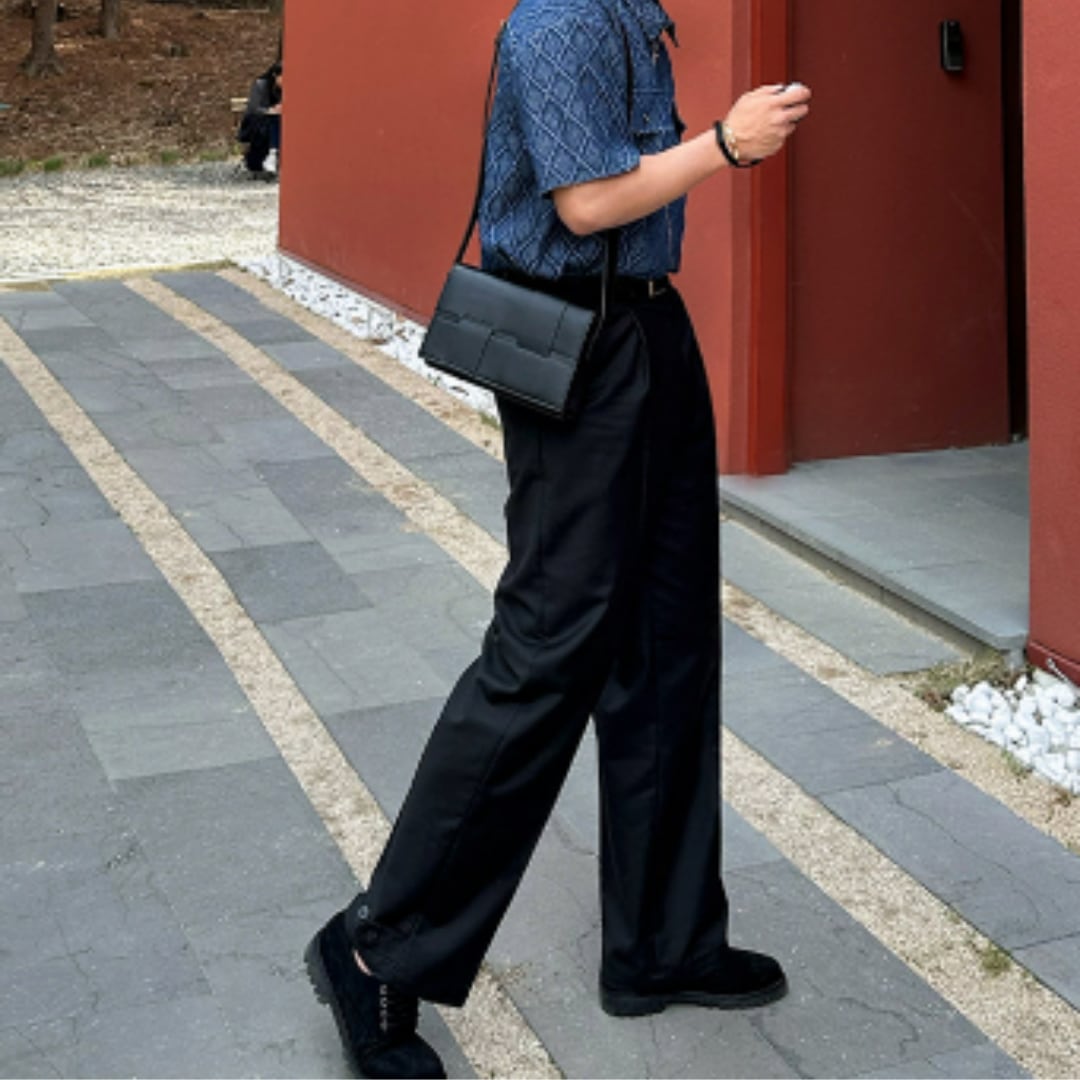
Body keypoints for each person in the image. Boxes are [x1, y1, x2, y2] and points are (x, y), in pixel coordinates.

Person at [304, 1, 811, 1076]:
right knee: (547, 649)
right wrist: (725, 145)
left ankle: (664, 943)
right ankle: (376, 948)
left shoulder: (633, 16)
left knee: (669, 645)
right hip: (576, 348)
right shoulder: (563, 22)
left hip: (649, 329)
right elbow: (585, 205)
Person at [238, 60, 282, 177]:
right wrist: (269, 110)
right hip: (256, 124)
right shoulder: (261, 85)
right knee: (275, 120)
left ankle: (273, 154)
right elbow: (253, 109)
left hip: (276, 123)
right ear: (275, 75)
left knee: (277, 120)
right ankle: (272, 154)